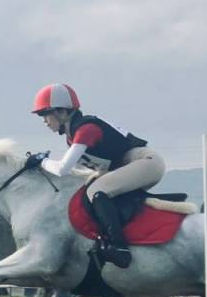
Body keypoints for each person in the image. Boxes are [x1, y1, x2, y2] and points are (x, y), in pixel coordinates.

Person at [32, 83, 164, 269]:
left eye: (45, 114)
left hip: (146, 162)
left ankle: (120, 248)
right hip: (136, 164)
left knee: (98, 190)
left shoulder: (86, 130)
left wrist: (42, 161)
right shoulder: (73, 134)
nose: (44, 121)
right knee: (92, 189)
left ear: (62, 112)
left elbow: (63, 169)